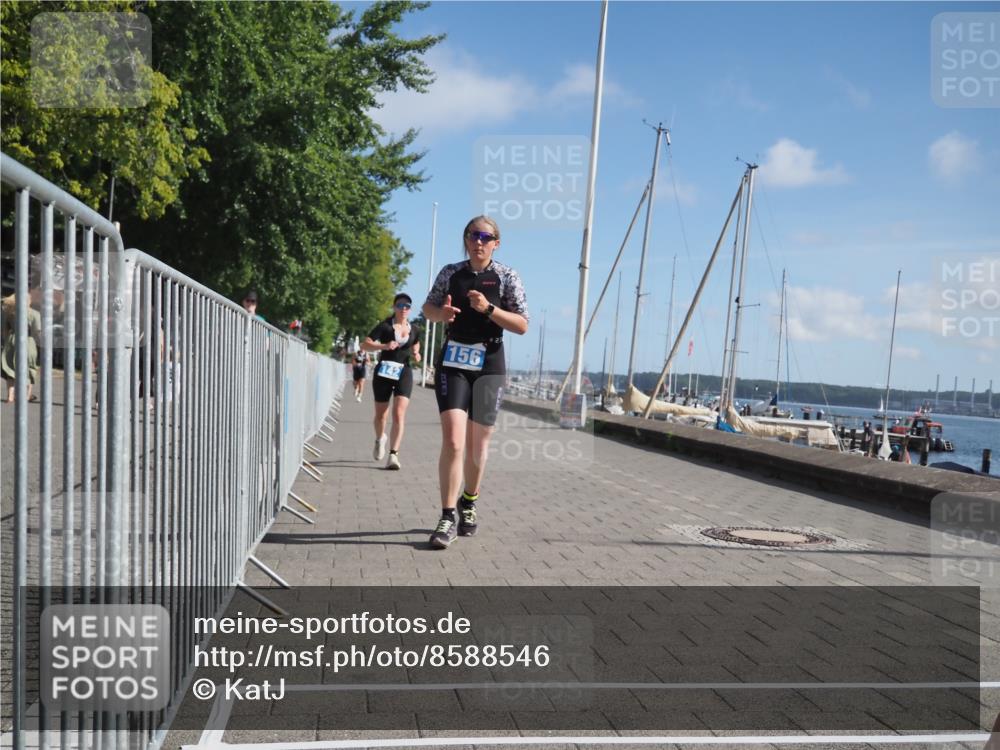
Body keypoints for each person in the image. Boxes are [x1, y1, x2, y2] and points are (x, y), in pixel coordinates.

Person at [421, 216, 529, 549]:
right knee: (454, 442)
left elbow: (522, 324)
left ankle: (469, 500)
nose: (478, 241)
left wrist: (489, 309)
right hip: (453, 360)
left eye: (485, 237)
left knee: (478, 447)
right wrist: (442, 315)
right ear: (466, 240)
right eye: (472, 235)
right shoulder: (450, 273)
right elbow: (428, 308)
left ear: (496, 243)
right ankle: (447, 515)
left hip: (489, 363)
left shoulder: (507, 276)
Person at [362, 293, 421, 470]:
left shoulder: (415, 328)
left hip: (404, 371)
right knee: (381, 415)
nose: (404, 309)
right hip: (384, 371)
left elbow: (416, 342)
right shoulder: (385, 326)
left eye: (407, 306)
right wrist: (383, 346)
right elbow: (365, 344)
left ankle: (393, 455)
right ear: (394, 307)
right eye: (401, 305)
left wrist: (416, 352)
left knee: (399, 413)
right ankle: (380, 439)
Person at [1, 292, 42, 403]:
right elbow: (37, 331)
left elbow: (4, 330)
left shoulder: (10, 313)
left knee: (10, 369)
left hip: (12, 340)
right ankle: (26, 396)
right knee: (29, 368)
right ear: (29, 301)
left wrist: (6, 341)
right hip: (28, 341)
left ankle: (10, 396)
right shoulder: (34, 314)